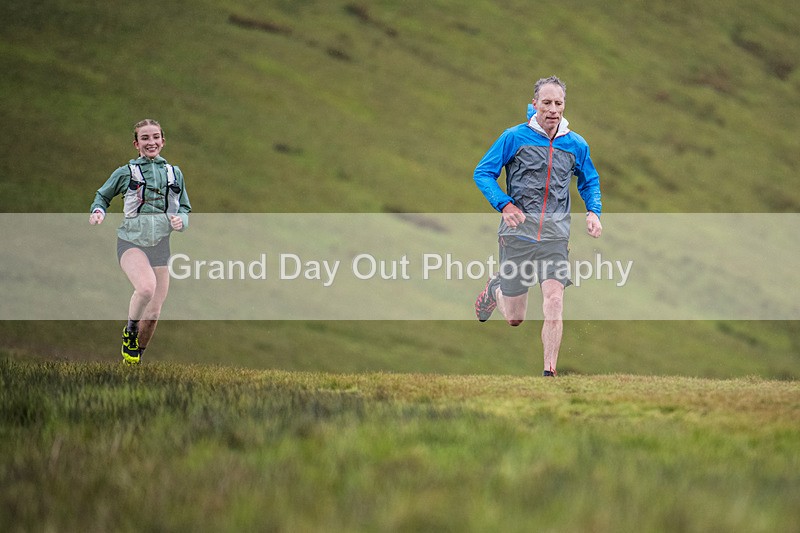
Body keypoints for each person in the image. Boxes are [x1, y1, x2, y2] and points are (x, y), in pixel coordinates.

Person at [473, 76, 602, 377]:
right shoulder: (514, 137)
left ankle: (549, 372)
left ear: (564, 106)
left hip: (555, 238)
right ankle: (496, 290)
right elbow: (483, 173)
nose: (553, 109)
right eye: (546, 103)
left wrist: (593, 212)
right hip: (517, 235)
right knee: (516, 318)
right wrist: (505, 205)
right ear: (534, 105)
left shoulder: (576, 144)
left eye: (558, 103)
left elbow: (590, 180)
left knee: (555, 300)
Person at [89, 119, 191, 365]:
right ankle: (130, 331)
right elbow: (102, 196)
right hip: (131, 243)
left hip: (160, 245)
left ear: (163, 141)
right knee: (146, 288)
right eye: (145, 138)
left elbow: (185, 208)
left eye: (155, 137)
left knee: (154, 313)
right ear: (136, 144)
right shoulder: (126, 172)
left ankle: (132, 365)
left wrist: (181, 221)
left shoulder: (174, 173)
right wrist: (98, 211)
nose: (151, 142)